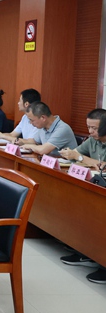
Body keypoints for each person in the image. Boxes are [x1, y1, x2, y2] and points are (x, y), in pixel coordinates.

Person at [58, 108, 106, 284]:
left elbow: (103, 165)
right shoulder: (92, 140)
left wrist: (79, 158)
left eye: (94, 128)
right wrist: (72, 155)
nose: (90, 131)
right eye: (88, 127)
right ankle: (86, 252)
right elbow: (75, 154)